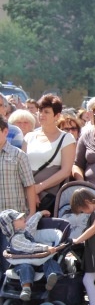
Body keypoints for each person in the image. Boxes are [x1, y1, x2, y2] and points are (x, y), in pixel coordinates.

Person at [23, 94, 76, 215]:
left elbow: (66, 171)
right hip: (25, 194)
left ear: (57, 116)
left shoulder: (66, 138)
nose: (41, 114)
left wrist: (39, 188)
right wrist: (31, 192)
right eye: (40, 111)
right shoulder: (29, 136)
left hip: (49, 197)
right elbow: (21, 166)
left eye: (46, 112)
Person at [0, 116, 37, 270]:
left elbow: (29, 185)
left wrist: (32, 213)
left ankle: (7, 291)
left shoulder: (18, 155)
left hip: (13, 218)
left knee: (10, 259)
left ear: (5, 131)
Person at [0, 210, 61, 301]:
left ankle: (52, 277)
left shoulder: (24, 231)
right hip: (22, 263)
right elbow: (30, 247)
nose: (23, 219)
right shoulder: (15, 239)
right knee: (25, 268)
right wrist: (46, 248)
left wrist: (39, 214)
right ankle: (26, 288)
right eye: (20, 219)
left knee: (49, 262)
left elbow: (31, 225)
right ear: (12, 226)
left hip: (36, 262)